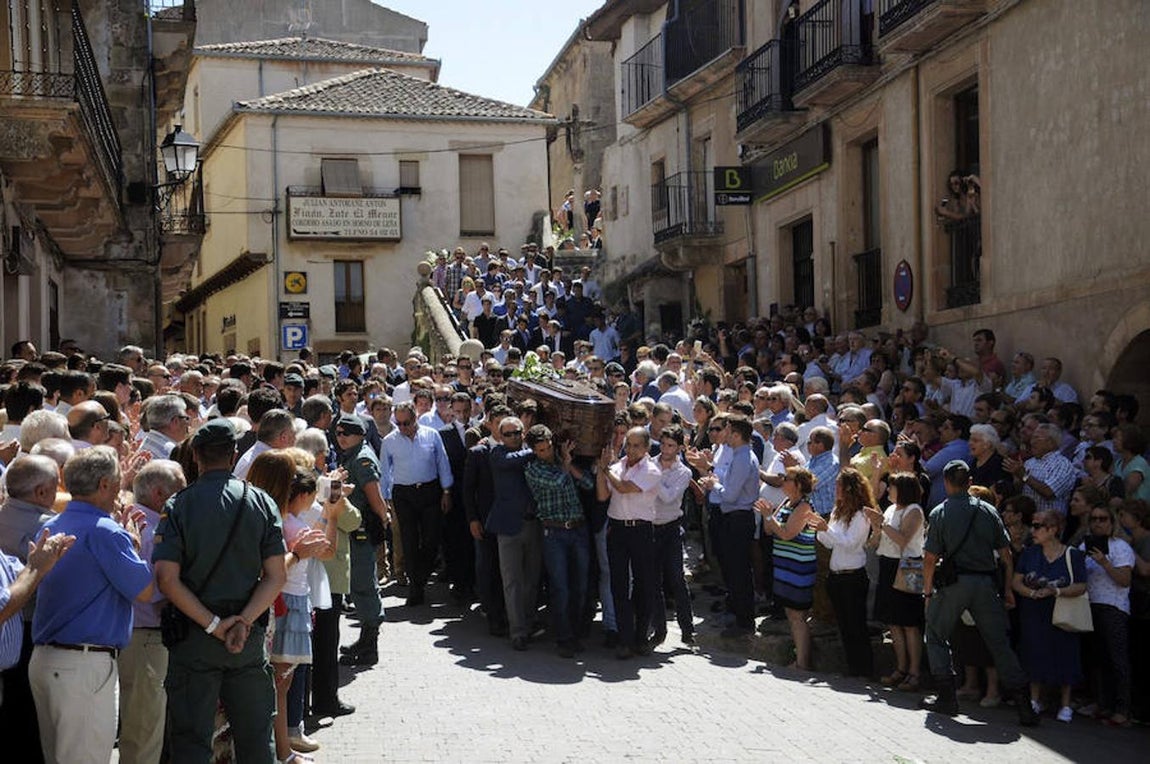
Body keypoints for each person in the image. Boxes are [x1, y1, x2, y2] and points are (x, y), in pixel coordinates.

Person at [153, 419, 286, 763]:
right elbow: (276, 576)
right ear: (234, 455)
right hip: (246, 638)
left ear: (196, 456)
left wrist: (214, 625)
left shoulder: (178, 505)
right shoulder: (261, 502)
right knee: (257, 740)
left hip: (195, 639)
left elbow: (166, 578)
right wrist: (243, 621)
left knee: (191, 742)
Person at [30, 447, 155, 764]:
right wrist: (134, 545)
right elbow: (144, 591)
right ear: (104, 484)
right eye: (117, 482)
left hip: (50, 660)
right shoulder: (107, 531)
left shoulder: (52, 524)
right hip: (83, 666)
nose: (120, 489)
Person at [921, 460, 1039, 726]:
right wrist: (1007, 590)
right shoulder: (988, 510)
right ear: (970, 481)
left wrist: (927, 593)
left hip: (953, 584)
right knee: (999, 644)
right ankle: (1024, 706)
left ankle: (946, 697)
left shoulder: (940, 512)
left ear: (946, 482)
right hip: (986, 583)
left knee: (936, 634)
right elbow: (1006, 555)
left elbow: (929, 558)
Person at [247, 452, 330, 762]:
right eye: (289, 479)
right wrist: (297, 553)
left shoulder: (272, 516)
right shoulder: (268, 518)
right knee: (278, 683)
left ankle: (282, 750)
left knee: (281, 683)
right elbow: (268, 570)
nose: (295, 485)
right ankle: (280, 752)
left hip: (274, 607)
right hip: (269, 608)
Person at [118, 460, 186, 764]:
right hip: (146, 637)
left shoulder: (138, 523)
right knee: (143, 732)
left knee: (142, 728)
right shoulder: (151, 531)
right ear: (160, 494)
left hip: (139, 637)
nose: (185, 494)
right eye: (180, 488)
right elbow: (158, 592)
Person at [523, 425, 593, 658]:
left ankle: (575, 631)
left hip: (578, 529)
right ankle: (564, 637)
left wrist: (568, 462)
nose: (546, 452)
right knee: (560, 587)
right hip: (554, 533)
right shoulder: (533, 469)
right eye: (541, 450)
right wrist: (566, 463)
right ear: (534, 451)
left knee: (580, 585)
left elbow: (588, 483)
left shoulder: (563, 461)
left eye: (549, 447)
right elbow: (558, 482)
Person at [1011, 509, 1087, 723]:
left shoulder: (1072, 555)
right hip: (1034, 611)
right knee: (1034, 653)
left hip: (1062, 612)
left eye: (1037, 526)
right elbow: (1016, 581)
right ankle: (1035, 699)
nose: (1032, 531)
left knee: (1066, 655)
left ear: (1053, 529)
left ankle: (1065, 704)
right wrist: (1032, 593)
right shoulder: (1029, 553)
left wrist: (1056, 591)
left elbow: (1081, 585)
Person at [596, 427, 662, 659]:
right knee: (619, 585)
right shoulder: (616, 467)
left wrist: (605, 469)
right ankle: (624, 639)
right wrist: (601, 471)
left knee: (644, 584)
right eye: (629, 445)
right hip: (618, 530)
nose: (631, 450)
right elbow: (602, 496)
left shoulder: (651, 469)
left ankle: (640, 637)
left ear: (646, 448)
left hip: (641, 530)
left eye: (636, 446)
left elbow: (625, 488)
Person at [380, 403, 454, 608]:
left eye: (407, 423)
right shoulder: (390, 441)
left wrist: (447, 491)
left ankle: (421, 575)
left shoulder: (432, 435)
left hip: (430, 490)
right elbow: (384, 472)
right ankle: (416, 587)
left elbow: (442, 462)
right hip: (403, 494)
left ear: (415, 418)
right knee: (409, 539)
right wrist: (385, 500)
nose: (403, 427)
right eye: (399, 423)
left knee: (431, 539)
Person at [699, 415, 760, 636]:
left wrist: (714, 485)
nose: (724, 434)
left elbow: (731, 495)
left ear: (736, 434)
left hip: (738, 518)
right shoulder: (739, 455)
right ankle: (737, 612)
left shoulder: (743, 458)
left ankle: (744, 620)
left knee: (738, 571)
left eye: (728, 431)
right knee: (733, 570)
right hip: (734, 518)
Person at [335, 414, 389, 666]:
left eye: (346, 433)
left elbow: (374, 496)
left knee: (363, 583)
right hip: (353, 527)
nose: (341, 438)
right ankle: (366, 640)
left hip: (362, 529)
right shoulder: (352, 454)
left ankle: (370, 645)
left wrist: (383, 519)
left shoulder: (361, 458)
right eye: (338, 433)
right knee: (358, 584)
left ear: (360, 434)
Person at [811, 468, 875, 678]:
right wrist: (821, 530)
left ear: (849, 488)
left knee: (856, 625)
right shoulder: (838, 511)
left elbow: (850, 543)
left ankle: (864, 669)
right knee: (844, 625)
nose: (835, 488)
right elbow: (829, 542)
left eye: (839, 485)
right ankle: (852, 668)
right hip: (836, 575)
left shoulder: (861, 515)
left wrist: (826, 529)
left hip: (853, 576)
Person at [486, 416, 541, 650]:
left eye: (517, 433)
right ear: (500, 436)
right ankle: (517, 631)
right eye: (508, 434)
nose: (513, 437)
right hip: (508, 527)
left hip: (533, 524)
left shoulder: (531, 453)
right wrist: (535, 451)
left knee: (532, 579)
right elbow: (510, 461)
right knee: (512, 581)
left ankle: (528, 624)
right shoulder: (497, 453)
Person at [867, 472, 926, 691]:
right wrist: (876, 528)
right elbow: (878, 541)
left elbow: (903, 539)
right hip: (887, 565)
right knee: (893, 622)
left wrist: (882, 524)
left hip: (908, 566)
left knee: (909, 623)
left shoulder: (914, 510)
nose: (889, 491)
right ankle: (900, 668)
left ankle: (915, 672)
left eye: (892, 487)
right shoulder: (891, 509)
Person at [757, 467, 819, 670]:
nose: (783, 481)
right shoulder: (786, 502)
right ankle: (799, 658)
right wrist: (767, 515)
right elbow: (769, 529)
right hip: (784, 566)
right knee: (791, 614)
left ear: (799, 485)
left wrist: (769, 516)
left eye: (788, 479)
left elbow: (786, 533)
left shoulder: (804, 507)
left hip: (799, 567)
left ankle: (802, 662)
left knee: (798, 615)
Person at [1079, 503, 1134, 727]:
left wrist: (1104, 562)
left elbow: (1125, 580)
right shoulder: (1084, 546)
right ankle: (1102, 704)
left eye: (1103, 519)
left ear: (1112, 523)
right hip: (1090, 606)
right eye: (1094, 519)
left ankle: (1123, 709)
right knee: (1097, 661)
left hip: (1114, 608)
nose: (1098, 523)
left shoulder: (1121, 547)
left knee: (1117, 660)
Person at [650, 425, 695, 647]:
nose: (666, 450)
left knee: (676, 578)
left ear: (678, 448)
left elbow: (668, 497)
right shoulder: (650, 464)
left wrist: (652, 477)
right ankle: (659, 630)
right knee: (653, 580)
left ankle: (687, 629)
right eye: (663, 444)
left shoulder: (683, 472)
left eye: (671, 446)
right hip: (650, 527)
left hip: (671, 528)